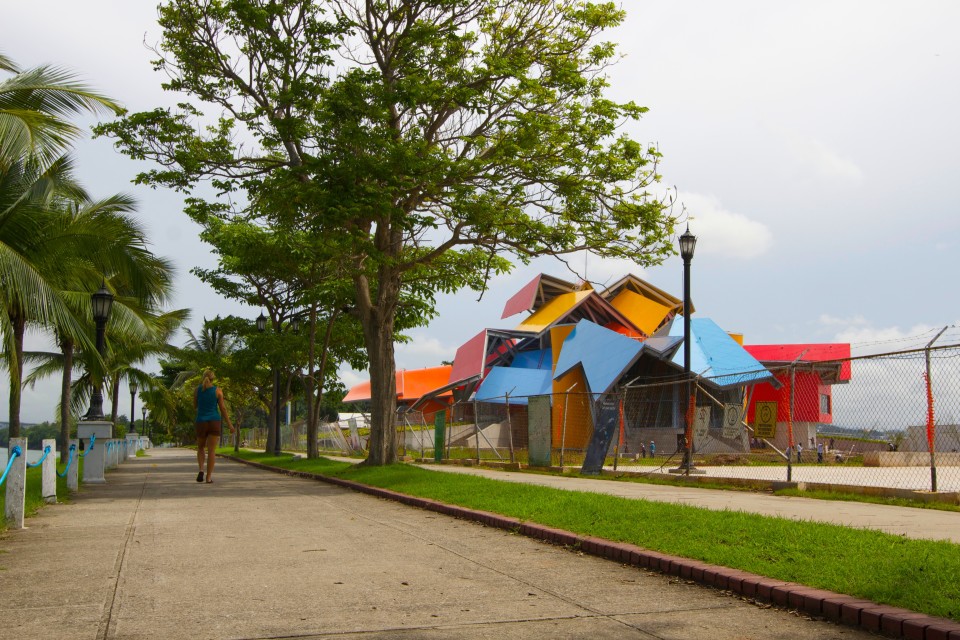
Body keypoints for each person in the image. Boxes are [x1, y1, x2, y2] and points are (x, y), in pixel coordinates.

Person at [194, 369, 234, 483]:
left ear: (203, 378)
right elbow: (223, 409)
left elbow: (195, 406)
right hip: (214, 421)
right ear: (213, 378)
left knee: (200, 447)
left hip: (201, 421)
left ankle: (201, 470)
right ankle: (208, 477)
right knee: (211, 450)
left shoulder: (197, 390)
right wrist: (230, 425)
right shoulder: (218, 391)